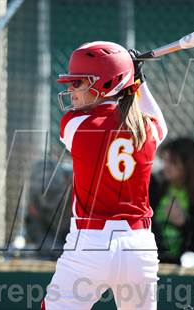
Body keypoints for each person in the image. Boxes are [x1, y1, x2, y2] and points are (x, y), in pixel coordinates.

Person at [41, 41, 167, 309]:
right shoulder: (147, 130)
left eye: (78, 83)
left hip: (90, 244)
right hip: (139, 247)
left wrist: (133, 77)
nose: (70, 89)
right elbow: (160, 124)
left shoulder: (75, 125)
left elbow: (106, 119)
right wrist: (139, 81)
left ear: (107, 84)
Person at [149, 137, 194, 263]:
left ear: (187, 164)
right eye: (164, 161)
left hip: (189, 258)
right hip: (156, 255)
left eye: (173, 162)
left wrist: (183, 223)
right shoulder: (155, 185)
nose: (166, 166)